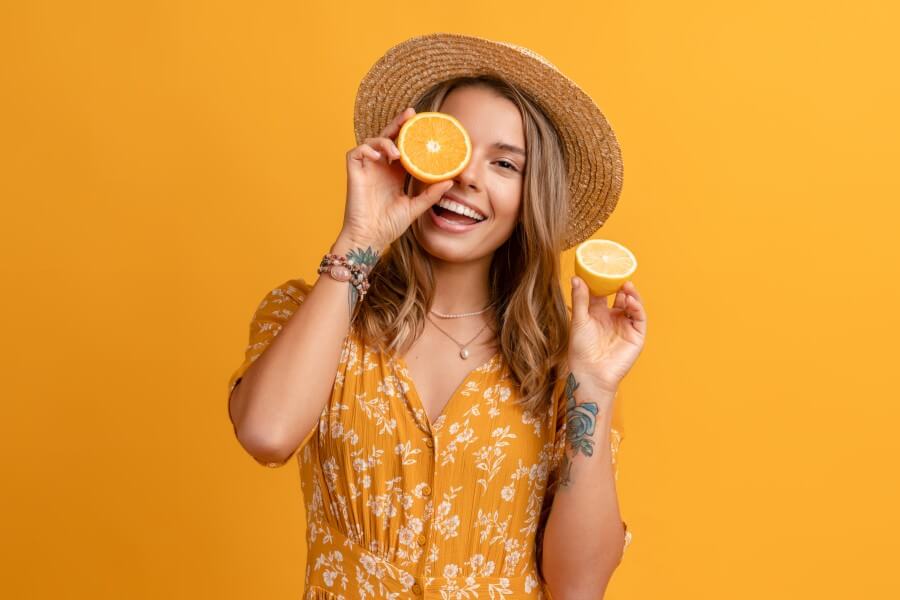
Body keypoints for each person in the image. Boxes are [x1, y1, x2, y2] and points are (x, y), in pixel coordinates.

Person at [227, 33, 647, 600]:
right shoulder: (314, 315)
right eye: (452, 145)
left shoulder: (563, 364)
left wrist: (592, 388)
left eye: (504, 163)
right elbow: (266, 435)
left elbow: (578, 587)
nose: (468, 176)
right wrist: (361, 237)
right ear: (412, 154)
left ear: (531, 198)